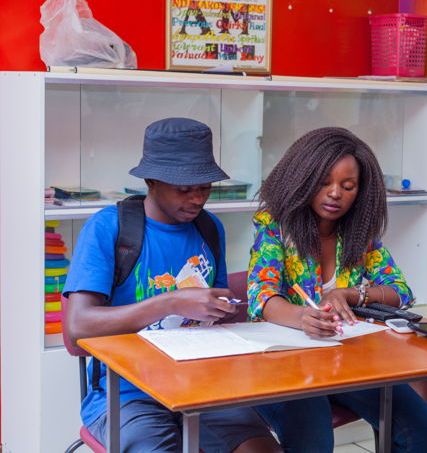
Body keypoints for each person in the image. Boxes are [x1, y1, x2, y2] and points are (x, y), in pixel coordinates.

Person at [63, 118, 280, 452]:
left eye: (205, 188)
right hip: (128, 393)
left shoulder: (210, 228)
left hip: (203, 382)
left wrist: (220, 309)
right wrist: (170, 302)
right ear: (151, 181)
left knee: (262, 449)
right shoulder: (108, 228)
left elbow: (212, 312)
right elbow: (78, 327)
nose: (197, 199)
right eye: (184, 190)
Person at [246, 127, 427, 453]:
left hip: (344, 361)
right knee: (315, 440)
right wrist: (303, 317)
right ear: (303, 180)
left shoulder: (358, 235)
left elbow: (401, 290)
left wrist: (351, 294)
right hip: (283, 365)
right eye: (324, 183)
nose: (335, 193)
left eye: (347, 186)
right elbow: (263, 298)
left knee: (421, 429)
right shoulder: (274, 225)